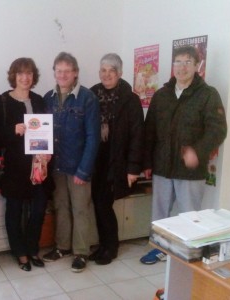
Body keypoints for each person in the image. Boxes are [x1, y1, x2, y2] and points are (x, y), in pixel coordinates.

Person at [140, 45, 227, 264]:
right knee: (160, 213)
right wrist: (148, 161)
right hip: (162, 166)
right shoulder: (162, 95)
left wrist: (197, 151)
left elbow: (218, 129)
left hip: (190, 169)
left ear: (197, 66)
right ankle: (160, 248)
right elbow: (149, 130)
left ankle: (186, 253)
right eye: (178, 62)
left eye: (187, 62)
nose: (182, 67)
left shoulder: (208, 94)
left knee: (189, 215)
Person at [0, 57, 51, 272]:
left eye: (29, 73)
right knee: (14, 211)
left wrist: (49, 146)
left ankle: (33, 249)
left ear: (33, 76)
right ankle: (20, 253)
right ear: (13, 76)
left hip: (39, 166)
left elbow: (46, 131)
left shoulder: (40, 100)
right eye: (20, 73)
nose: (25, 77)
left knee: (38, 210)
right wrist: (12, 131)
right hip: (14, 168)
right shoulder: (0, 102)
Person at [42, 52, 100, 273]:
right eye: (59, 71)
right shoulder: (48, 97)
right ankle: (62, 247)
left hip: (78, 167)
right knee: (61, 207)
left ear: (75, 73)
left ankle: (81, 252)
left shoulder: (88, 98)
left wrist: (84, 170)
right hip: (56, 165)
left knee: (80, 209)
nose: (63, 75)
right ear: (54, 73)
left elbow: (93, 138)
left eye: (67, 71)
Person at [89, 53, 144, 265]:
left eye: (112, 70)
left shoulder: (130, 99)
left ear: (120, 73)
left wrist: (133, 168)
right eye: (103, 70)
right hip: (96, 161)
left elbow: (137, 135)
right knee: (97, 203)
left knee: (105, 205)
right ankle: (103, 245)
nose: (107, 74)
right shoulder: (92, 94)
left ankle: (111, 248)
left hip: (117, 161)